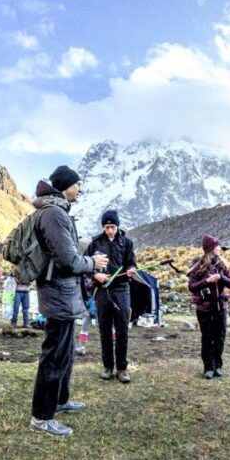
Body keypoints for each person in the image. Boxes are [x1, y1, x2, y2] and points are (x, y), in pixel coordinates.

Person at [29, 166, 108, 436]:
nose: (80, 189)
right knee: (54, 355)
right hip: (57, 295)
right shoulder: (53, 214)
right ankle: (42, 416)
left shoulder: (56, 211)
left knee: (65, 353)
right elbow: (67, 260)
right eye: (77, 184)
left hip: (63, 293)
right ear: (65, 186)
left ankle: (59, 400)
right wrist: (92, 262)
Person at [85, 210, 137, 383]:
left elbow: (131, 262)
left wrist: (131, 270)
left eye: (112, 227)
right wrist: (95, 276)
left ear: (117, 226)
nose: (110, 231)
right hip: (102, 291)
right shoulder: (95, 243)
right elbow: (85, 265)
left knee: (122, 330)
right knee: (104, 330)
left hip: (122, 290)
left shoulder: (127, 242)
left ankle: (122, 369)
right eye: (107, 227)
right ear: (103, 227)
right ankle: (107, 366)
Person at [188, 235, 230, 379]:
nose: (220, 248)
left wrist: (221, 277)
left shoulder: (222, 264)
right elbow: (191, 286)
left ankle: (218, 366)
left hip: (220, 306)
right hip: (204, 308)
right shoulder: (198, 265)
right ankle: (208, 367)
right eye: (217, 246)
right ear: (211, 248)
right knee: (207, 337)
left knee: (220, 337)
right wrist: (207, 281)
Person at [75, 275, 97, 356]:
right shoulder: (84, 274)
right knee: (84, 326)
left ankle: (113, 348)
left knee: (108, 327)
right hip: (87, 301)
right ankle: (82, 347)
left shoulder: (99, 271)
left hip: (97, 301)